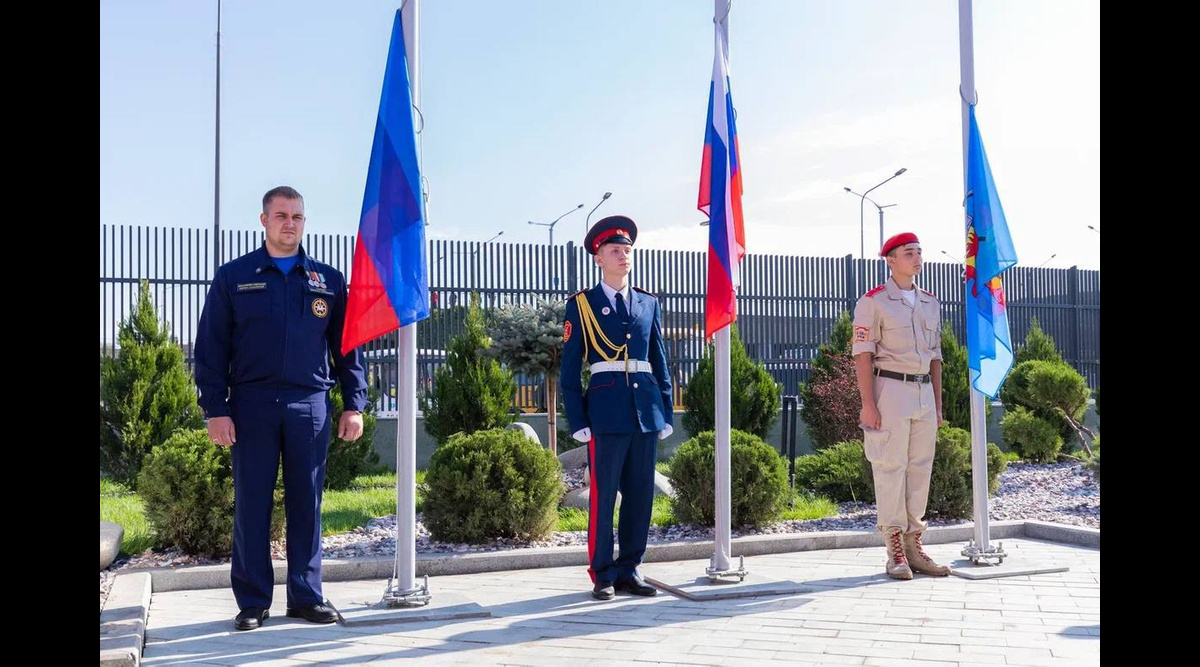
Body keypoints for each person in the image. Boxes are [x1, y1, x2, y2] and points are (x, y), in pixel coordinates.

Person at [195, 186, 368, 630]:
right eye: (281, 215)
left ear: (303, 222)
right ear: (264, 220)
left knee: (306, 503)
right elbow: (211, 348)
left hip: (308, 404)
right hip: (250, 404)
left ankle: (306, 597)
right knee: (252, 503)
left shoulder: (327, 280)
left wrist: (354, 404)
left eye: (297, 216)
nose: (289, 223)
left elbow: (347, 349)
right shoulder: (234, 276)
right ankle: (253, 602)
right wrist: (215, 408)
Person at [560, 215, 674, 600]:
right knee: (604, 496)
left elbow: (659, 359)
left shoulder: (648, 303)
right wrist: (577, 419)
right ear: (598, 258)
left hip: (644, 409)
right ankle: (603, 573)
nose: (623, 256)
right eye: (615, 250)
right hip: (604, 411)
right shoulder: (582, 305)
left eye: (627, 250)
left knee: (641, 495)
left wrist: (666, 411)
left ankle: (630, 568)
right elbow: (570, 368)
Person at [852, 232, 952, 580]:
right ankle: (893, 546)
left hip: (923, 392)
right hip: (890, 389)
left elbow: (936, 356)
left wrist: (938, 404)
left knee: (920, 469)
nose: (917, 257)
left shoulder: (929, 301)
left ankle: (914, 544)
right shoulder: (873, 302)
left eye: (919, 252)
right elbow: (862, 356)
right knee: (891, 467)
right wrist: (868, 404)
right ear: (890, 260)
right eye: (909, 253)